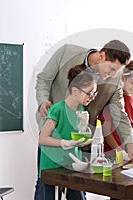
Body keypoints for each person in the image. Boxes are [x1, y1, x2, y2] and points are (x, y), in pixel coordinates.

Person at [35, 40, 133, 199]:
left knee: (78, 190)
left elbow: (119, 114)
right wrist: (42, 101)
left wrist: (130, 145)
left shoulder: (114, 80)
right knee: (46, 188)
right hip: (54, 136)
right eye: (112, 68)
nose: (114, 75)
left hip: (79, 143)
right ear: (102, 56)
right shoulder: (66, 52)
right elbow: (44, 79)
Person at [38, 64, 96, 200]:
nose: (92, 97)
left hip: (72, 164)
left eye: (94, 93)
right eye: (90, 93)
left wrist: (82, 141)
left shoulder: (82, 110)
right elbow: (43, 139)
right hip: (52, 165)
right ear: (75, 91)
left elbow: (76, 135)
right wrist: (64, 143)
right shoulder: (57, 110)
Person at [99, 59, 133, 200]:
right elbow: (107, 131)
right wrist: (119, 151)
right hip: (115, 155)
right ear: (123, 77)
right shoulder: (115, 99)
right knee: (121, 194)